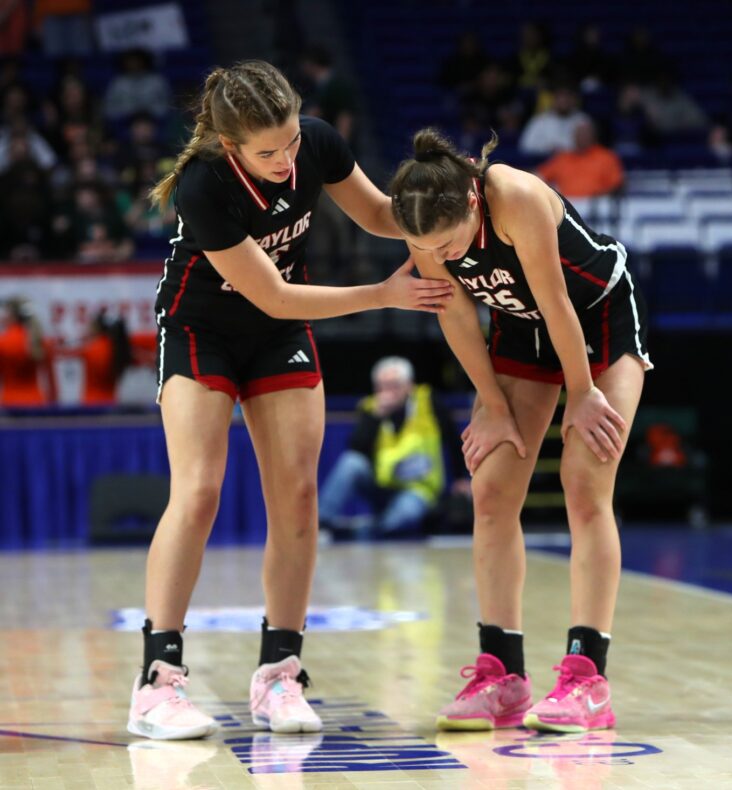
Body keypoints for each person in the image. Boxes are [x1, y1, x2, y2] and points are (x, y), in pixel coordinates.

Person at [129, 60, 453, 741]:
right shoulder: (202, 183)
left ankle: (280, 673)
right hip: (201, 328)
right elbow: (271, 291)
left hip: (279, 334)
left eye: (290, 143)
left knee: (300, 496)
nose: (286, 159)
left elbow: (380, 216)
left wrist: (447, 207)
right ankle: (158, 681)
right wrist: (381, 295)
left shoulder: (316, 144)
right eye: (267, 152)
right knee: (198, 494)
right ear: (230, 146)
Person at [389, 128, 652, 733]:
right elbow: (453, 311)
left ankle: (588, 678)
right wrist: (491, 402)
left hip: (596, 317)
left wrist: (582, 394)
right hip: (522, 328)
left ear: (473, 206)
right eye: (431, 249)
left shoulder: (514, 195)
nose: (446, 258)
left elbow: (559, 301)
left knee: (585, 484)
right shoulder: (424, 218)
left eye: (452, 246)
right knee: (492, 489)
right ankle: (502, 675)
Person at [318, 356, 470, 539]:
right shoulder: (371, 408)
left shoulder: (428, 401)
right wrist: (376, 417)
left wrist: (461, 477)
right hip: (381, 486)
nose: (387, 392)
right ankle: (321, 523)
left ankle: (365, 530)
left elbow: (454, 439)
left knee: (402, 519)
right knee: (351, 463)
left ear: (409, 385)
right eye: (381, 387)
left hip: (417, 489)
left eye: (394, 385)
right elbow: (356, 448)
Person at [537, 117, 624, 199]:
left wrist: (601, 196)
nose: (582, 136)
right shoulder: (563, 158)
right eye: (579, 133)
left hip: (596, 205)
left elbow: (617, 185)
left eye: (585, 133)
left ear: (593, 135)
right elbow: (539, 177)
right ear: (573, 136)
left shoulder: (606, 157)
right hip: (567, 205)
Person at [0, 297, 56, 406]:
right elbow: (52, 383)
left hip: (10, 403)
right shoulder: (41, 342)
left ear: (12, 315)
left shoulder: (3, 342)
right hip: (36, 402)